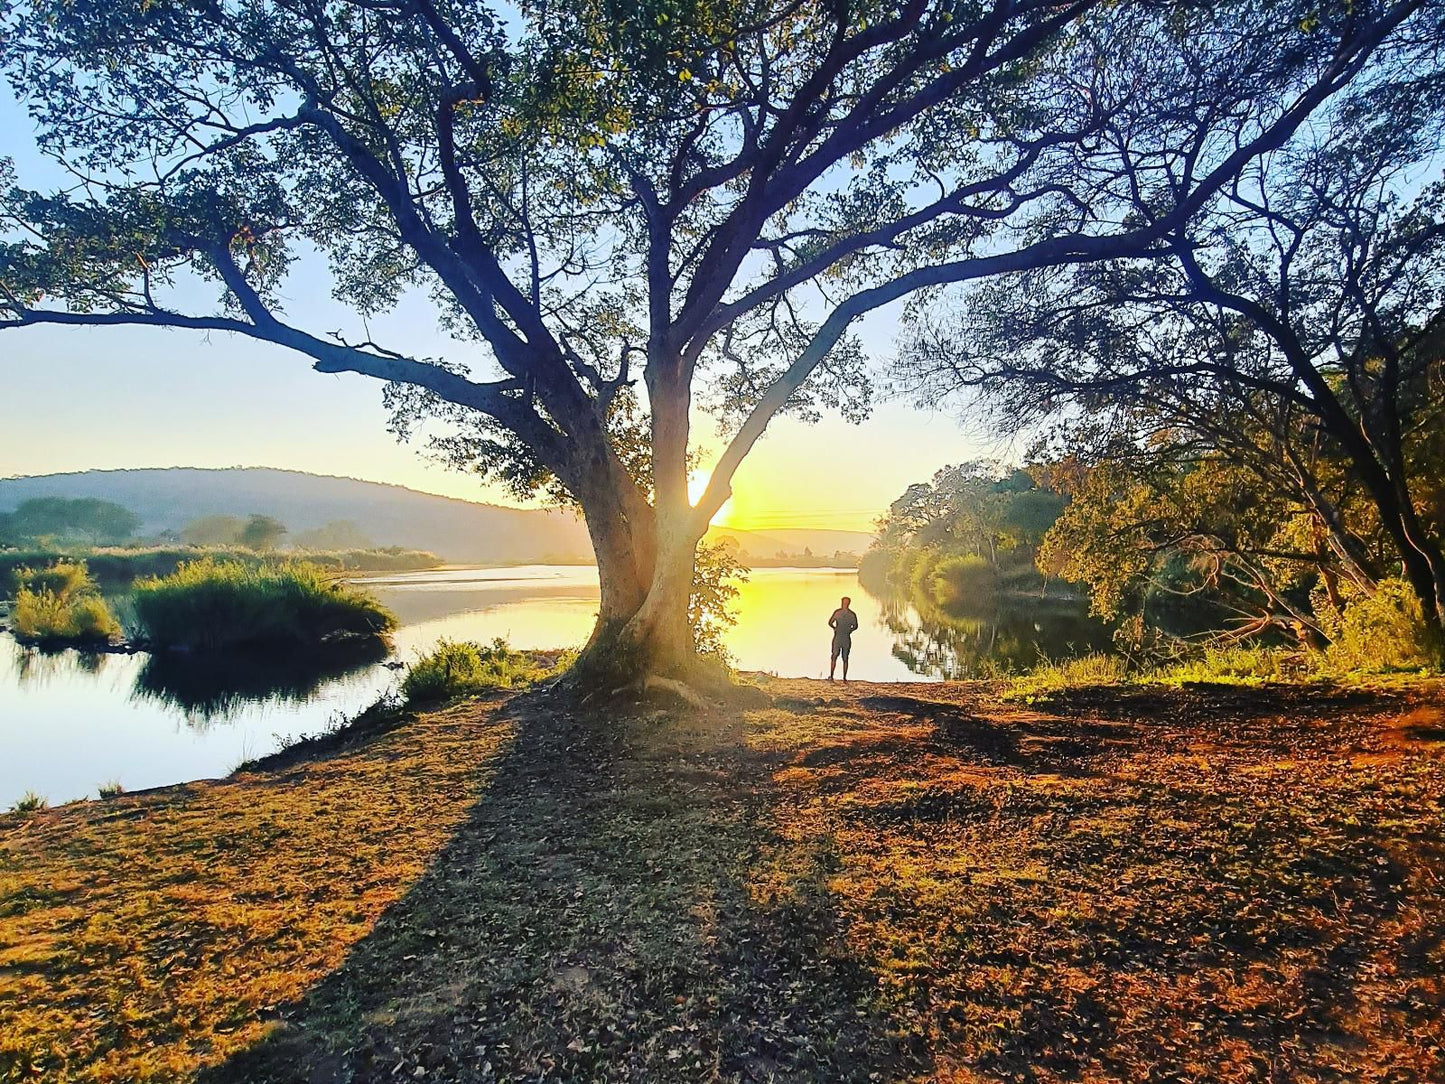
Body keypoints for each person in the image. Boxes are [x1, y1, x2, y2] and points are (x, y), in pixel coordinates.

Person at [828, 596, 859, 681]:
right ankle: (831, 675)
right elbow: (830, 622)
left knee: (845, 657)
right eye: (844, 603)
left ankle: (844, 677)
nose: (844, 604)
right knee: (834, 656)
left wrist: (850, 630)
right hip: (838, 636)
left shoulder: (851, 614)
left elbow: (856, 626)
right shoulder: (838, 612)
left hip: (845, 637)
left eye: (846, 603)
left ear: (848, 604)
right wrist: (834, 628)